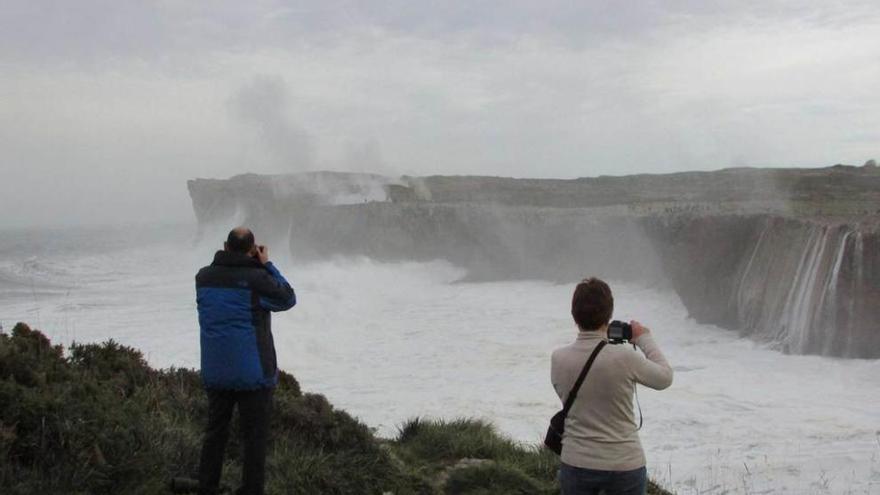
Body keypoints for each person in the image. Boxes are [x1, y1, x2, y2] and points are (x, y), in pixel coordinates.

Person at [196, 227, 297, 495]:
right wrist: (267, 264)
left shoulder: (203, 278)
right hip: (253, 374)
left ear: (225, 247)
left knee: (215, 433)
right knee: (254, 439)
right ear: (252, 249)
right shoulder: (257, 278)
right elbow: (287, 298)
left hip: (216, 372)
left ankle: (206, 487)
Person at [551, 277, 673, 495]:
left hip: (576, 462)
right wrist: (644, 338)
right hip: (623, 465)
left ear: (574, 314)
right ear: (609, 314)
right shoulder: (625, 357)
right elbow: (665, 378)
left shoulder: (558, 358)